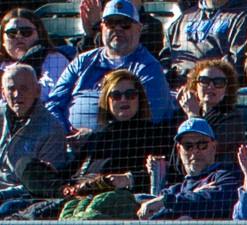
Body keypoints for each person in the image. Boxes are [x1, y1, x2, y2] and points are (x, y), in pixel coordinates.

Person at [83, 116, 241, 225]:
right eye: (188, 146)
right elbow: (151, 216)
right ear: (179, 149)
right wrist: (181, 204)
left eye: (202, 144)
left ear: (213, 146)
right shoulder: (176, 187)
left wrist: (168, 202)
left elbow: (216, 200)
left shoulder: (225, 175)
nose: (195, 151)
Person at [46, 0, 171, 133]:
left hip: (118, 146)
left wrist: (94, 137)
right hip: (67, 145)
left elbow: (150, 118)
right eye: (111, 24)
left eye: (125, 24)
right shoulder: (82, 61)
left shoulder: (149, 67)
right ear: (102, 28)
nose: (117, 29)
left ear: (139, 29)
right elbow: (53, 104)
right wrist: (63, 134)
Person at [65, 70, 172, 193]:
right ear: (107, 100)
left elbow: (166, 175)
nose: (123, 100)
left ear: (139, 98)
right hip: (79, 195)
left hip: (122, 200)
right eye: (116, 95)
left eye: (130, 94)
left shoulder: (154, 135)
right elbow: (69, 173)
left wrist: (129, 179)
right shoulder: (98, 135)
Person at [0, 61, 67, 213]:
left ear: (37, 90)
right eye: (11, 89)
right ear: (3, 93)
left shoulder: (51, 129)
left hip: (22, 196)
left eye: (24, 88)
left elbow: (42, 183)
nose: (17, 95)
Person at [163, 0, 247, 80]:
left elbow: (236, 63)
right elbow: (165, 58)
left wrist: (197, 79)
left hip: (213, 89)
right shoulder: (184, 17)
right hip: (173, 89)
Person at [177, 56, 247, 153]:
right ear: (195, 85)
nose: (211, 86)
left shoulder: (233, 119)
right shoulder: (182, 113)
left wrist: (193, 116)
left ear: (227, 89)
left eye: (219, 82)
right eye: (204, 81)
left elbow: (205, 152)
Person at [2, 10, 71, 102]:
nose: (19, 36)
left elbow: (49, 95)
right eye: (12, 33)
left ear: (39, 35)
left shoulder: (55, 59)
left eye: (26, 32)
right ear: (2, 40)